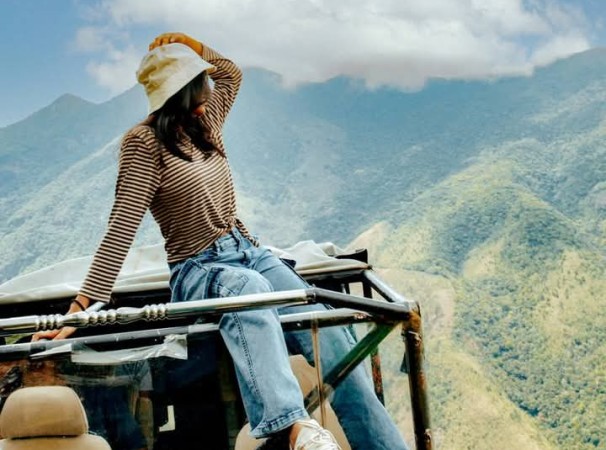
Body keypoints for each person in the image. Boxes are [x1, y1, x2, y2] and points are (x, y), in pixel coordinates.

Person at [33, 32, 408, 450]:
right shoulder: (143, 144)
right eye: (197, 87)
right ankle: (296, 429)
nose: (207, 94)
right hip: (198, 268)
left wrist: (192, 45)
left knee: (330, 331)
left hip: (249, 251)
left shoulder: (205, 124)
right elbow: (120, 229)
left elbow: (231, 74)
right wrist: (78, 313)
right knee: (250, 291)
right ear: (178, 93)